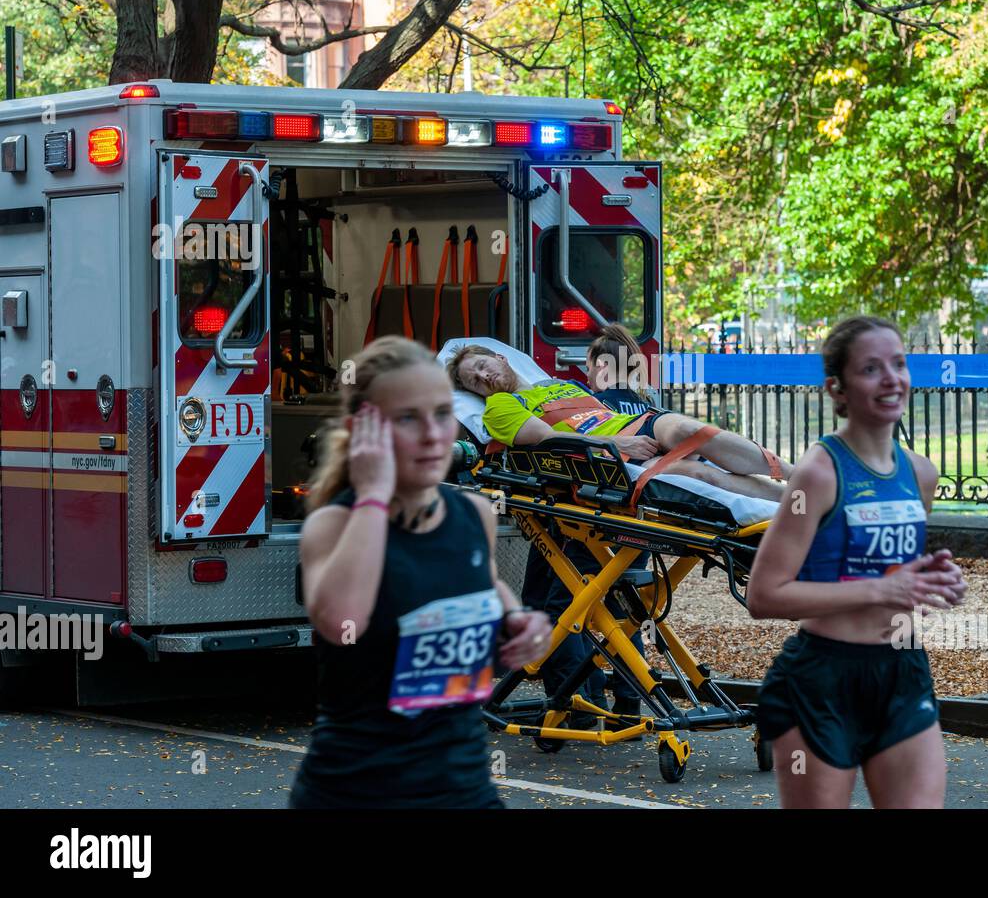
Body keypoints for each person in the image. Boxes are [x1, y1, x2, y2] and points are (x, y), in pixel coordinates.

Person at [290, 336, 552, 809]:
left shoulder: (474, 515)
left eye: (441, 413)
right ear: (364, 430)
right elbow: (341, 623)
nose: (435, 435)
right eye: (409, 418)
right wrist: (373, 496)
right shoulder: (335, 524)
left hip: (464, 789)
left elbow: (483, 589)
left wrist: (520, 622)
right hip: (360, 793)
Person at [746, 315, 967, 809]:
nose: (892, 378)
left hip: (903, 672)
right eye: (871, 368)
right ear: (837, 388)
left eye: (899, 363)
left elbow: (889, 570)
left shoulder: (920, 473)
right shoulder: (818, 473)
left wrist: (936, 580)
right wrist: (881, 592)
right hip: (822, 681)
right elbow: (764, 594)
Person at [449, 344, 791, 500]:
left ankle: (799, 477)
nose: (484, 377)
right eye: (474, 381)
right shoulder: (500, 407)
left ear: (500, 357)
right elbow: (550, 441)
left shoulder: (558, 384)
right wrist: (617, 445)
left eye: (482, 366)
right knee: (701, 475)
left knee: (691, 431)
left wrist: (624, 433)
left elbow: (608, 411)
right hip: (608, 459)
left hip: (632, 425)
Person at [521, 324, 653, 729]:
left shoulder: (589, 408)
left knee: (568, 610)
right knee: (622, 611)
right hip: (640, 524)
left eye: (589, 365)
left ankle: (579, 702)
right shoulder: (650, 409)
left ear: (598, 365)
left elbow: (568, 459)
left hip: (589, 524)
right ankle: (627, 710)